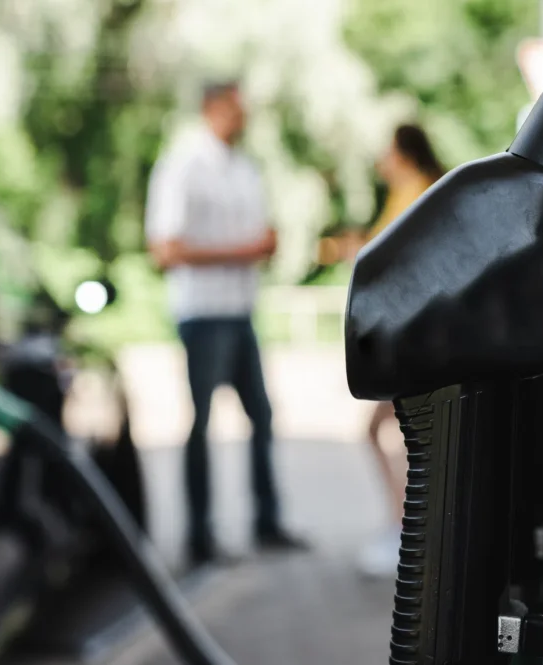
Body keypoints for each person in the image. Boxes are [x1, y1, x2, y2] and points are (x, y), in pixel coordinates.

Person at [145, 81, 308, 566]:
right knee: (200, 423)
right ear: (213, 109)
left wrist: (263, 246)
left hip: (240, 312)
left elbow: (262, 235)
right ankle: (198, 535)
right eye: (239, 110)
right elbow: (165, 249)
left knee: (262, 416)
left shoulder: (244, 168)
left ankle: (267, 520)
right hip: (202, 313)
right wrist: (241, 252)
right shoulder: (184, 164)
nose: (246, 118)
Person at [335, 123, 447, 577]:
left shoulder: (415, 193)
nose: (381, 160)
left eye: (387, 150)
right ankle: (408, 526)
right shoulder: (421, 191)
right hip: (413, 333)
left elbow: (396, 258)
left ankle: (410, 530)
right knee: (405, 433)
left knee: (397, 433)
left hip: (411, 337)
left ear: (402, 153)